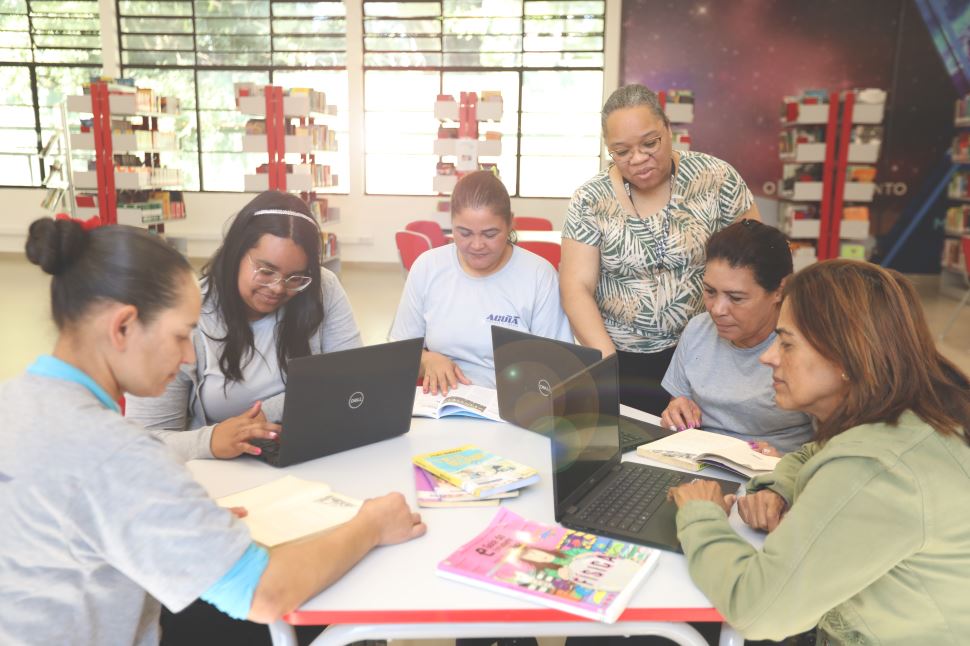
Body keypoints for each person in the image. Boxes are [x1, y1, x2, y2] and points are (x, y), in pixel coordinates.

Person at [0, 218, 425, 646]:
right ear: (123, 326)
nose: (189, 356)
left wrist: (178, 516)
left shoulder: (14, 402)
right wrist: (371, 524)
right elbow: (263, 595)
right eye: (182, 335)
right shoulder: (120, 454)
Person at [667, 260, 970, 644]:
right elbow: (813, 453)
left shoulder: (875, 467)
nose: (768, 357)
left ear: (846, 355)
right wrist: (780, 488)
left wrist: (701, 514)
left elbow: (758, 610)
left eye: (787, 343)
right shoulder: (912, 413)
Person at [560, 84, 760, 415]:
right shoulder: (590, 199)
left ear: (668, 128)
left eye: (650, 143)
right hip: (624, 358)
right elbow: (575, 287)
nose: (638, 159)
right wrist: (606, 363)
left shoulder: (715, 178)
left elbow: (757, 260)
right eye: (621, 152)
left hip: (709, 352)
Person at [125, 190, 362, 462]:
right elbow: (142, 443)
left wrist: (261, 417)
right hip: (220, 471)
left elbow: (350, 380)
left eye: (295, 277)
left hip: (307, 457)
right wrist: (212, 440)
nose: (277, 288)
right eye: (266, 270)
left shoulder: (322, 288)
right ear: (236, 252)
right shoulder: (182, 316)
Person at [390, 170, 573, 394]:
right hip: (441, 402)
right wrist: (427, 359)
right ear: (452, 224)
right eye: (464, 233)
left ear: (509, 224)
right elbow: (398, 353)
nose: (477, 245)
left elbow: (557, 366)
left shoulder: (538, 275)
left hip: (513, 403)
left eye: (490, 234)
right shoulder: (428, 267)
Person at [660, 220, 813, 454]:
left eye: (736, 298)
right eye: (710, 291)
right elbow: (678, 402)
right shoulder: (697, 331)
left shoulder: (810, 347)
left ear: (779, 291)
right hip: (699, 461)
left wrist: (787, 464)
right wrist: (677, 410)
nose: (717, 309)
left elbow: (834, 442)